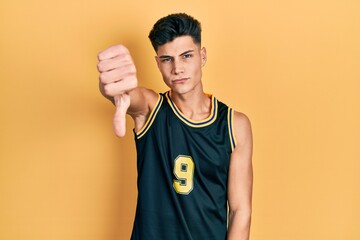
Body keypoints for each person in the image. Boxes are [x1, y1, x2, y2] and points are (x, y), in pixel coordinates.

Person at [97, 13, 253, 240]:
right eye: (167, 59)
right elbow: (132, 96)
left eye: (186, 56)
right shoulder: (152, 110)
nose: (177, 68)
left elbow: (241, 211)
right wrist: (113, 86)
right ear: (157, 64)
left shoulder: (234, 125)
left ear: (203, 56)